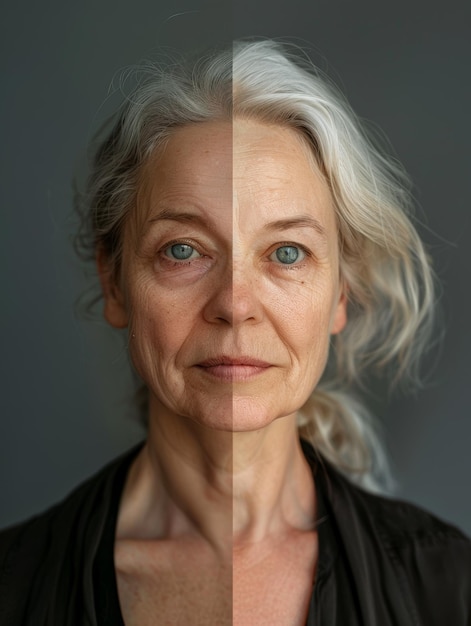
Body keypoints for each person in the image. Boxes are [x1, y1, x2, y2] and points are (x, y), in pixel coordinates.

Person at [0, 39, 470, 626]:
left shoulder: (450, 589)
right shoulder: (12, 588)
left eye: (288, 252)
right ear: (115, 282)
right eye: (183, 250)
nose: (235, 304)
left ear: (341, 294)